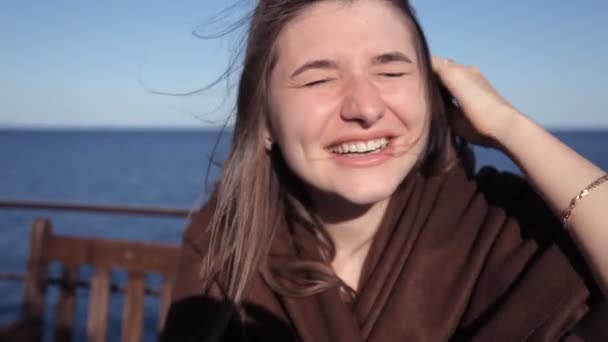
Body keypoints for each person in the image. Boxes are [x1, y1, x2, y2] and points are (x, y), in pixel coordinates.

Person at [162, 0, 608, 340]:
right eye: (318, 79)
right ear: (263, 122)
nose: (366, 107)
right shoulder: (225, 245)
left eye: (392, 72)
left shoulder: (507, 225)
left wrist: (509, 125)